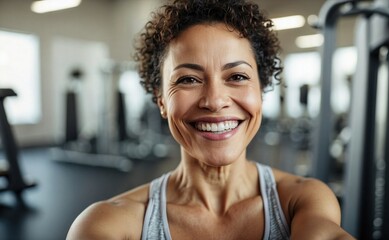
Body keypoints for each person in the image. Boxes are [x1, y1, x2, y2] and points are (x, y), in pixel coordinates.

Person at [67, 0, 355, 239]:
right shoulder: (107, 225)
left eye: (238, 77)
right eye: (189, 79)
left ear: (261, 90)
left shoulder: (301, 201)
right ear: (161, 100)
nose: (215, 101)